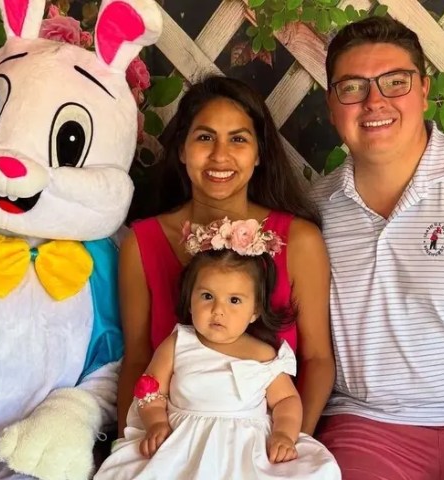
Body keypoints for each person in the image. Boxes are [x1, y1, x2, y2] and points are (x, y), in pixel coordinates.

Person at [311, 16, 444, 479]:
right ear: (331, 105)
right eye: (352, 88)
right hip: (366, 428)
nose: (374, 101)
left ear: (424, 90)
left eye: (394, 82)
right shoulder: (310, 211)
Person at [117, 76, 335, 439]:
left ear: (259, 153)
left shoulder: (299, 241)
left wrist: (293, 445)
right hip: (173, 441)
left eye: (238, 139)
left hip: (267, 442)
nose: (220, 155)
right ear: (183, 150)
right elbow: (138, 361)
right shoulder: (141, 244)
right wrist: (134, 448)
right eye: (205, 137)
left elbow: (318, 360)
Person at [95, 218, 340, 479]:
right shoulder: (179, 343)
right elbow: (150, 389)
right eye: (207, 296)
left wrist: (283, 433)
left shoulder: (265, 355)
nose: (218, 310)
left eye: (234, 300)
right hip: (182, 444)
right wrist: (156, 422)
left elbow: (286, 400)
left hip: (247, 448)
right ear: (190, 302)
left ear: (254, 311)